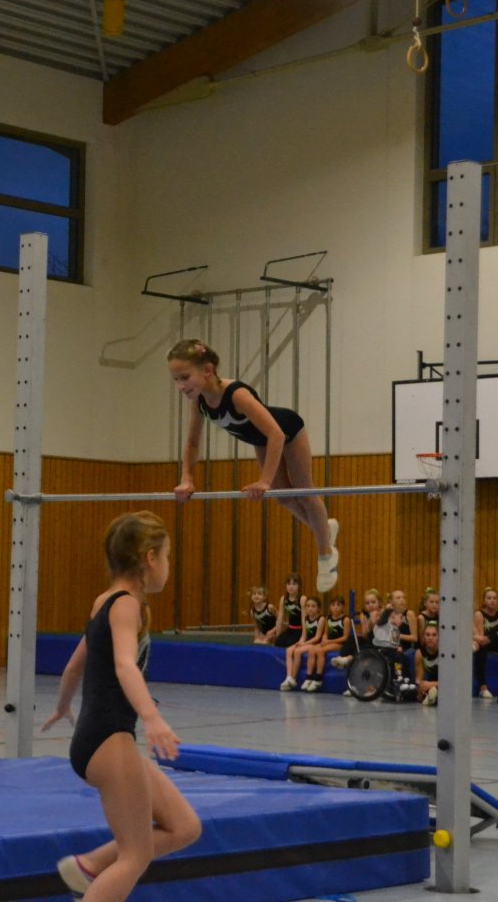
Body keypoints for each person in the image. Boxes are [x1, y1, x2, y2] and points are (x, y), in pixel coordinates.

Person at [43, 511, 201, 900]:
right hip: (109, 738)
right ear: (150, 558)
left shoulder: (105, 602)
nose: (168, 566)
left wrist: (63, 706)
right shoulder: (126, 605)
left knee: (184, 827)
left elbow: (74, 665)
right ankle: (97, 876)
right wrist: (152, 717)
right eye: (167, 556)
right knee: (135, 855)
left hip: (98, 737)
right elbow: (125, 665)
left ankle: (89, 867)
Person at [167, 339, 339, 591]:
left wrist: (264, 481)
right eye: (176, 380)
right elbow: (193, 442)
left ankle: (326, 555)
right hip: (261, 440)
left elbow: (276, 434)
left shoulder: (236, 395)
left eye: (185, 377)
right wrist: (187, 479)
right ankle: (324, 527)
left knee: (303, 491)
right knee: (283, 498)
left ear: (208, 370)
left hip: (288, 430)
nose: (181, 386)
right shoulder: (200, 402)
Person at [300, 594, 348, 692]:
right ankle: (309, 677)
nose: (335, 608)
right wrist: (324, 639)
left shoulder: (346, 619)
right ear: (330, 607)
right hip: (329, 641)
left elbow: (345, 637)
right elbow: (325, 633)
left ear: (343, 607)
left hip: (339, 643)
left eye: (338, 605)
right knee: (312, 649)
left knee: (321, 651)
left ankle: (318, 678)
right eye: (333, 605)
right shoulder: (328, 618)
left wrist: (329, 641)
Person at [280, 595, 324, 691]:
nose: (310, 609)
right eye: (308, 606)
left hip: (315, 643)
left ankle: (293, 678)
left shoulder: (321, 619)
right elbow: (304, 635)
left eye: (313, 606)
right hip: (307, 642)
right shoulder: (305, 619)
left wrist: (304, 644)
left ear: (318, 608)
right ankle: (288, 677)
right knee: (289, 650)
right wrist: (299, 642)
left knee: (297, 651)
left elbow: (317, 638)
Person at [472, 586, 498, 699]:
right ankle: (483, 687)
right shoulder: (479, 614)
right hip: (485, 644)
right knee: (481, 650)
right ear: (484, 601)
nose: (492, 601)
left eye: (494, 598)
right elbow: (482, 639)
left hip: (497, 643)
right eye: (489, 598)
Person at [270, 575, 304, 648]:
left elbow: (304, 620)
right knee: (278, 642)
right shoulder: (283, 599)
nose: (291, 587)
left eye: (294, 584)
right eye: (288, 584)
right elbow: (280, 619)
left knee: (289, 644)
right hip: (290, 629)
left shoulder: (302, 599)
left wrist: (303, 637)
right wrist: (278, 635)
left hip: (300, 630)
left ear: (299, 586)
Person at [416, 623, 441, 706]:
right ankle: (431, 695)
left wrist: (432, 684)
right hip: (430, 683)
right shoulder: (419, 653)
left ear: (439, 637)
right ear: (423, 637)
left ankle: (433, 694)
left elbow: (451, 681)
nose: (430, 638)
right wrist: (420, 688)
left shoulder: (444, 652)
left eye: (434, 635)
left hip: (444, 684)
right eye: (427, 635)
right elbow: (419, 678)